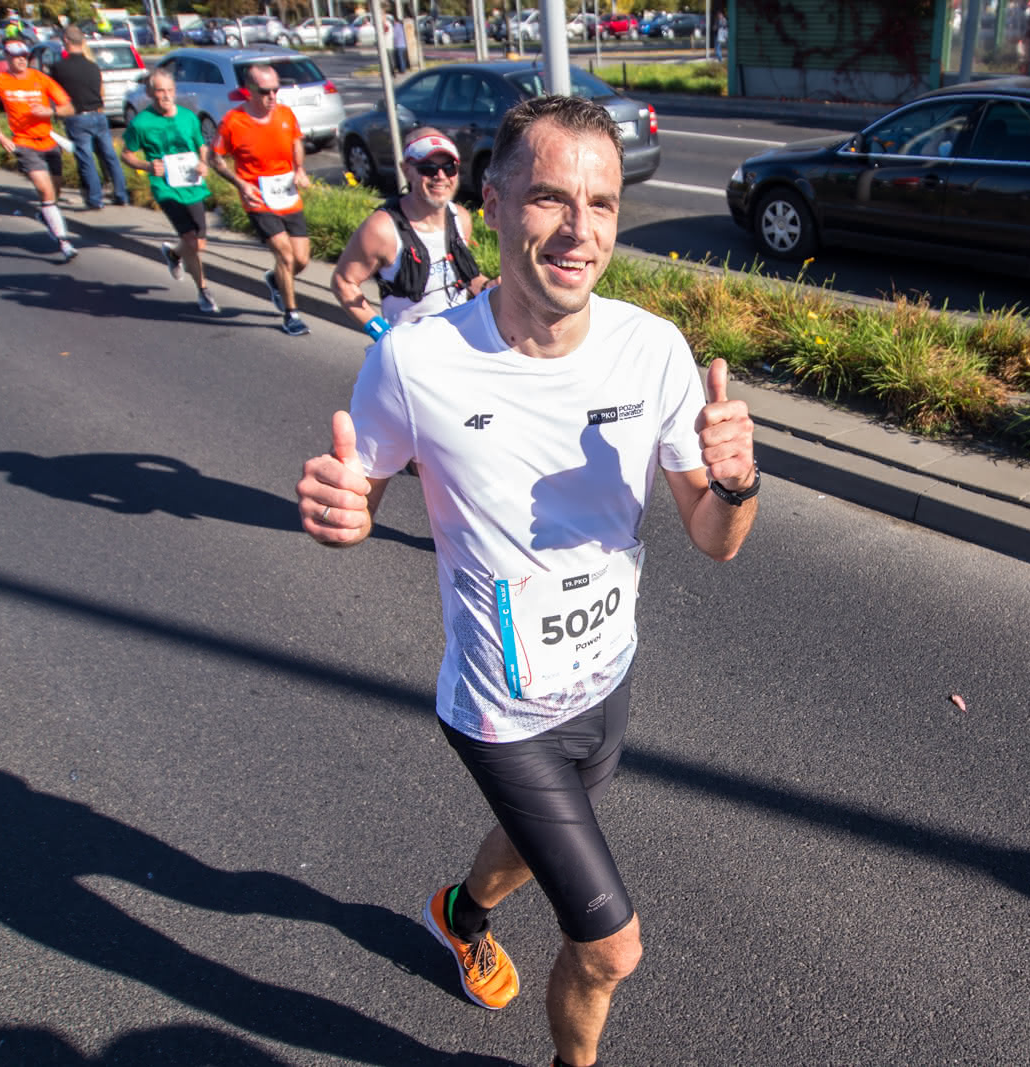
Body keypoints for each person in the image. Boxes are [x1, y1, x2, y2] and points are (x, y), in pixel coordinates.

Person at [295, 95, 758, 1067]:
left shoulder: (653, 350)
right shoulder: (416, 365)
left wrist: (737, 482)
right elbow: (363, 495)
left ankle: (459, 910)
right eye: (550, 198)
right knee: (609, 945)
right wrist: (347, 515)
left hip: (606, 677)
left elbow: (716, 537)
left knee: (542, 830)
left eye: (602, 203)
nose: (579, 230)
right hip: (499, 709)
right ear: (494, 203)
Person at [330, 127, 492, 341]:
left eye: (448, 167)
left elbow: (462, 277)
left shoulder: (461, 218)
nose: (440, 176)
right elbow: (343, 282)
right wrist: (383, 334)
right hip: (410, 355)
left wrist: (489, 287)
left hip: (458, 344)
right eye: (428, 168)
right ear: (407, 170)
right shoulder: (382, 229)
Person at [210, 63, 313, 336]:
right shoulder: (233, 121)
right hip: (258, 197)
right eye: (265, 91)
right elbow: (215, 157)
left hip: (287, 194)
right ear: (249, 90)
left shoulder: (285, 114)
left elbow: (295, 142)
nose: (272, 97)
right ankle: (292, 315)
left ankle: (275, 280)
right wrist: (240, 184)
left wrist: (300, 169)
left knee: (301, 259)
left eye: (276, 90)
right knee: (284, 253)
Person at [120, 67, 220, 314]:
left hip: (193, 184)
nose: (165, 96)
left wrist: (203, 162)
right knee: (191, 241)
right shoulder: (141, 123)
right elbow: (126, 154)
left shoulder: (188, 116)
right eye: (159, 91)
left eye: (169, 90)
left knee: (200, 244)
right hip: (165, 187)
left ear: (175, 91)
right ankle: (203, 290)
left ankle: (174, 255)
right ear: (150, 93)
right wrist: (146, 165)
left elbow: (202, 145)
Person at [0, 38, 78, 263]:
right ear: (7, 57)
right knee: (45, 192)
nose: (22, 59)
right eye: (16, 56)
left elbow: (69, 107)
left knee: (54, 193)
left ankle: (45, 215)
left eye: (25, 55)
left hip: (49, 142)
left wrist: (50, 111)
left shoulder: (40, 78)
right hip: (24, 143)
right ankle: (65, 243)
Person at [49, 26, 129, 211]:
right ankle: (121, 194)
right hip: (99, 116)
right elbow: (100, 91)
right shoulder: (93, 67)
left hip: (77, 118)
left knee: (86, 159)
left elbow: (53, 93)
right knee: (110, 156)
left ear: (66, 41)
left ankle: (95, 198)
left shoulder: (59, 68)